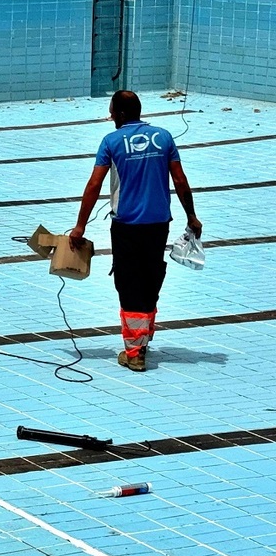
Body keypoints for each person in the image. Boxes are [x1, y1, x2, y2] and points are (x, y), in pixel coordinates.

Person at [69, 90, 202, 372]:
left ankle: (134, 352)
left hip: (127, 225)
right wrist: (192, 216)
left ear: (119, 114)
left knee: (129, 284)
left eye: (111, 111)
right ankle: (143, 337)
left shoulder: (112, 141)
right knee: (151, 278)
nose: (110, 116)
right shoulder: (164, 137)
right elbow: (179, 179)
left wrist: (80, 225)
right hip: (158, 224)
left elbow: (94, 185)